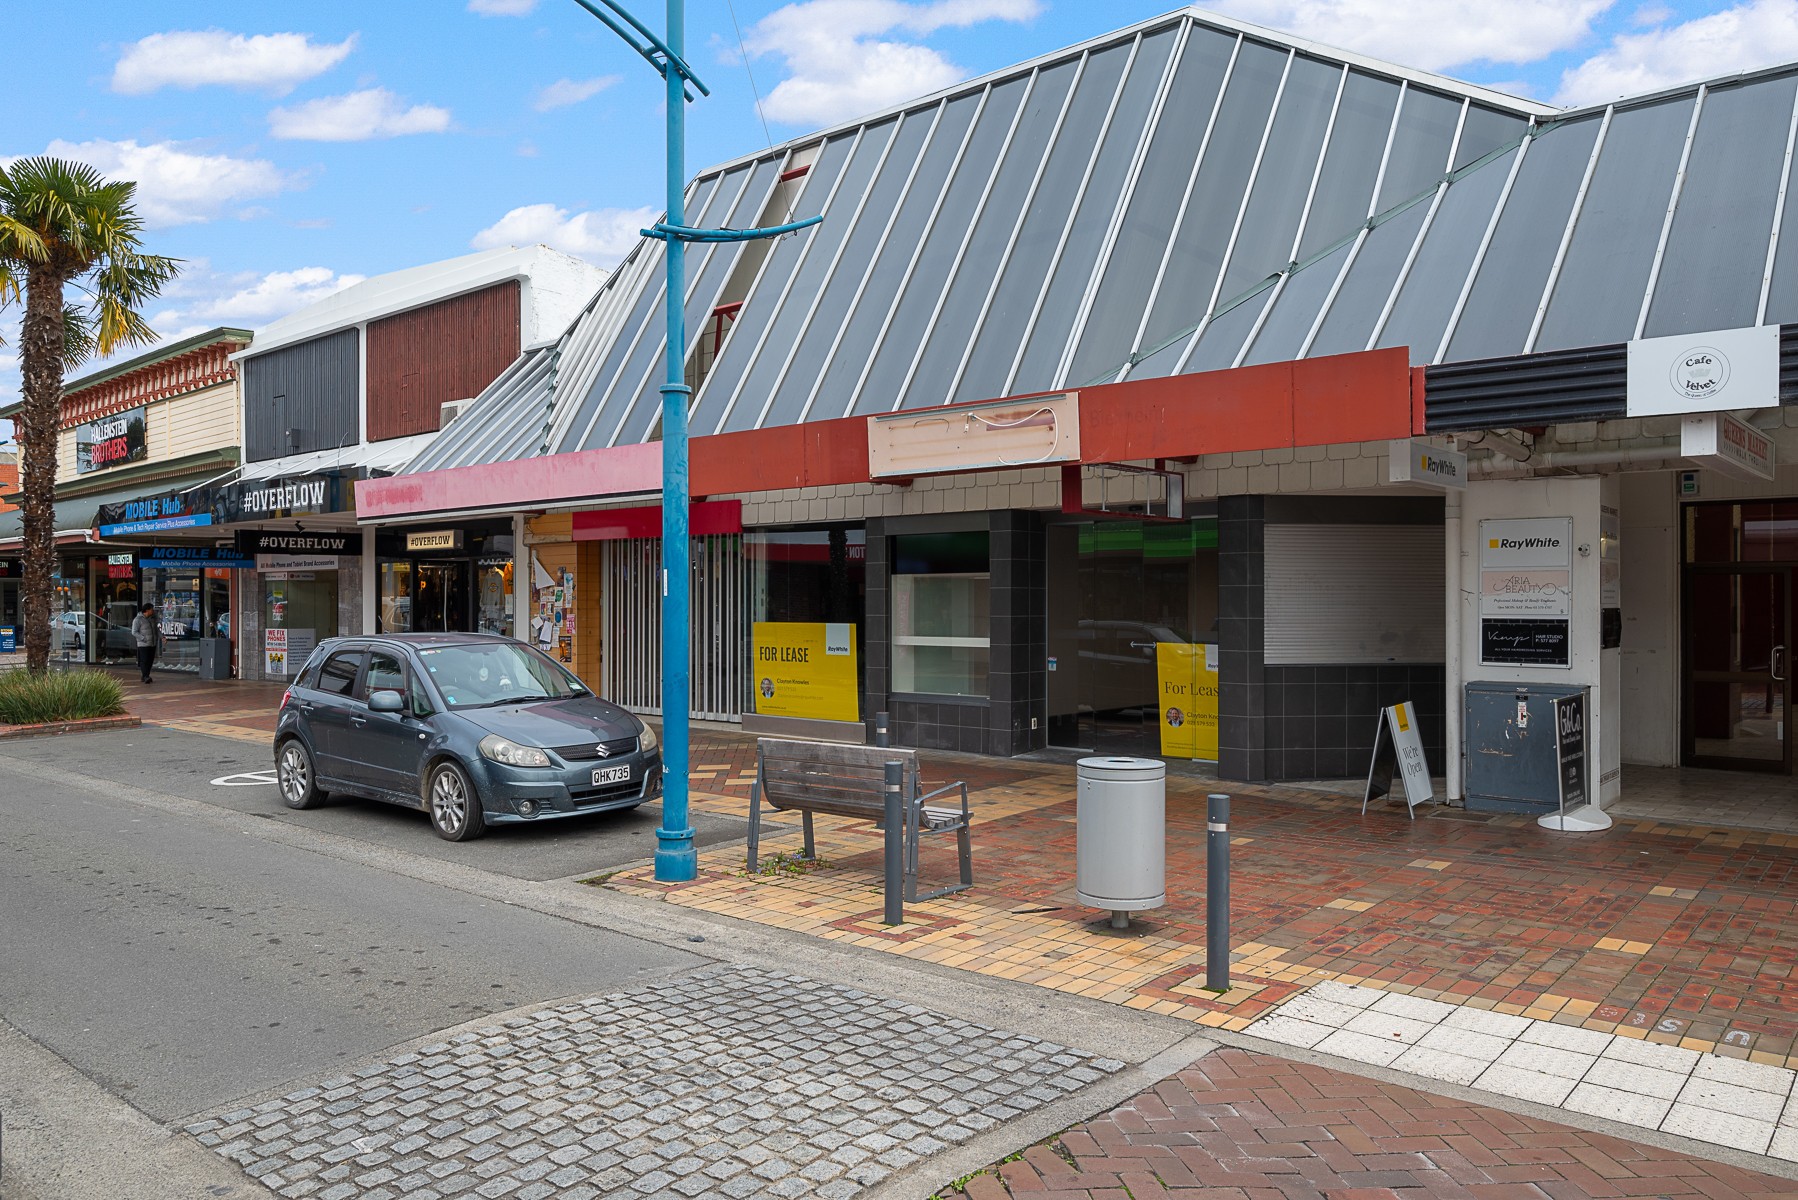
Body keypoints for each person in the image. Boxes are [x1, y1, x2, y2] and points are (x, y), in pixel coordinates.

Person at [131, 602, 161, 685]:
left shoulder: (152, 619)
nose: (153, 611)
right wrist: (143, 638)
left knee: (150, 660)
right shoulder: (138, 619)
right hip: (143, 644)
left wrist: (162, 637)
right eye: (151, 609)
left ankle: (145, 675)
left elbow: (156, 630)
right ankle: (146, 676)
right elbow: (134, 632)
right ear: (147, 610)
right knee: (144, 660)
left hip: (152, 643)